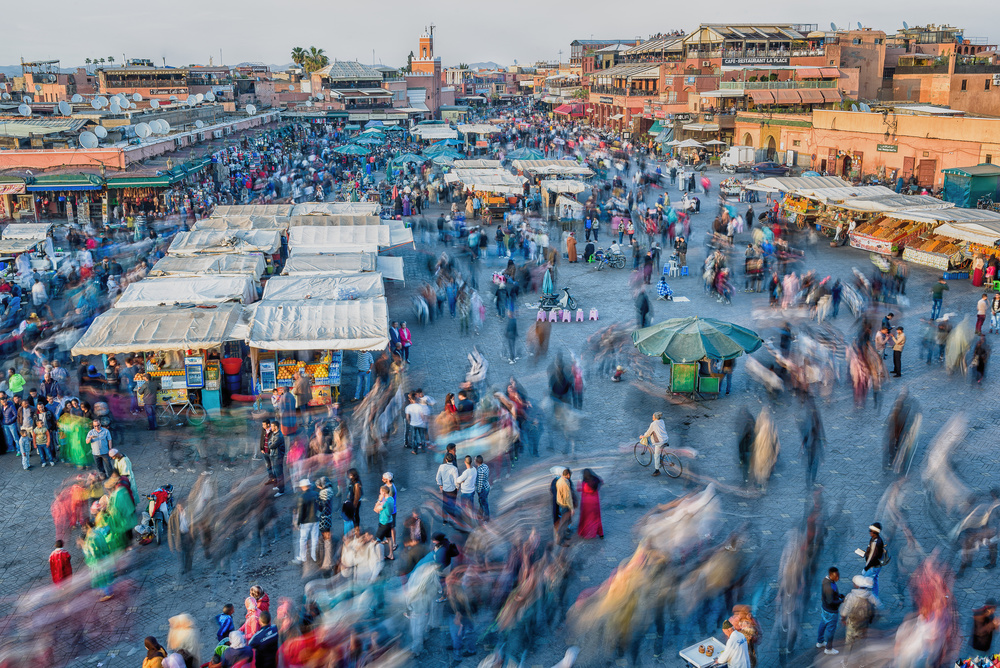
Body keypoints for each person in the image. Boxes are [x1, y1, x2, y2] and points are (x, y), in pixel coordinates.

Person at [840, 576, 878, 653]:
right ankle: (861, 658)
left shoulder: (851, 596)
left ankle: (845, 658)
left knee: (848, 642)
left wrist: (843, 618)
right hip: (864, 624)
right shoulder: (871, 596)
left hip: (852, 623)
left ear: (856, 585)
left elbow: (845, 610)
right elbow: (879, 606)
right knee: (861, 642)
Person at [817, 567, 844, 655]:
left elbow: (830, 596)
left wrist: (838, 595)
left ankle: (820, 642)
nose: (838, 578)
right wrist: (841, 601)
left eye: (838, 575)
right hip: (831, 611)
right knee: (831, 630)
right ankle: (828, 649)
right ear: (831, 575)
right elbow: (831, 602)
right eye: (836, 576)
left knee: (823, 623)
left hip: (824, 608)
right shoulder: (829, 587)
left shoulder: (826, 580)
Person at [293, 479, 318, 564]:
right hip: (315, 519)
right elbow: (320, 506)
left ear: (302, 487)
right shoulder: (316, 494)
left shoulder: (301, 497)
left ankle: (303, 557)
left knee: (303, 539)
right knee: (315, 538)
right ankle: (314, 556)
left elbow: (301, 512)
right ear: (309, 486)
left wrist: (298, 522)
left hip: (305, 521)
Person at [577, 469, 604, 539]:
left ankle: (586, 533)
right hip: (595, 502)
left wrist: (579, 481)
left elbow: (578, 489)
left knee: (586, 518)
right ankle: (600, 533)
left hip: (586, 503)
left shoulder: (584, 483)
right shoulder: (595, 480)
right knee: (597, 518)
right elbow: (601, 482)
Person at [860, 522, 885, 597]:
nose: (869, 532)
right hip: (877, 565)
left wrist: (866, 568)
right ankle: (875, 597)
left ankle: (861, 598)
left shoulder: (876, 542)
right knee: (874, 581)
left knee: (864, 582)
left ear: (875, 532)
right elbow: (870, 551)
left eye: (871, 531)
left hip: (873, 566)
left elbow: (872, 557)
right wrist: (865, 554)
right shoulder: (874, 539)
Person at [641, 411, 669, 477]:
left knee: (656, 455)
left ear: (655, 417)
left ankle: (657, 471)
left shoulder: (653, 424)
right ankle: (661, 460)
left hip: (659, 442)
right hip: (665, 439)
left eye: (653, 416)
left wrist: (643, 436)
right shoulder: (662, 421)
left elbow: (648, 433)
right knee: (660, 452)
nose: (652, 417)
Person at [554, 468, 575, 544]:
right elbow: (568, 497)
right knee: (564, 523)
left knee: (564, 522)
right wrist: (572, 508)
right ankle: (560, 540)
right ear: (568, 474)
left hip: (560, 504)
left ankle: (563, 536)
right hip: (565, 505)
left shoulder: (559, 480)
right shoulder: (565, 483)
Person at [374, 484, 396, 560]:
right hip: (389, 521)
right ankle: (391, 554)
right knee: (389, 538)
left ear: (383, 492)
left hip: (384, 523)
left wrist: (379, 500)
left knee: (377, 540)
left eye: (380, 492)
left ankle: (380, 556)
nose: (379, 494)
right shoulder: (391, 499)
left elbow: (375, 509)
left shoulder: (385, 502)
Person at [436, 453, 459, 524]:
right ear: (453, 460)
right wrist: (457, 487)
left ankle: (445, 519)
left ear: (446, 459)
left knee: (445, 504)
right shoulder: (454, 469)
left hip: (445, 489)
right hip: (452, 489)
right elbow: (456, 480)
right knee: (452, 503)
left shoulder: (441, 467)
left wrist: (440, 485)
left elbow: (437, 477)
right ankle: (452, 517)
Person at [474, 455, 491, 522]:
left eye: (475, 459)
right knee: (482, 502)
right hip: (487, 486)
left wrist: (478, 491)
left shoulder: (480, 470)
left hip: (483, 489)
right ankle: (480, 514)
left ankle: (487, 517)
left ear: (477, 461)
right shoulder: (485, 466)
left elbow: (480, 483)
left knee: (484, 503)